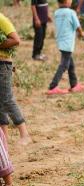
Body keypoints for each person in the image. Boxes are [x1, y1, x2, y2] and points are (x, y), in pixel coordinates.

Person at [0, 13, 32, 146]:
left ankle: (25, 134)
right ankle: (4, 138)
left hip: (3, 65)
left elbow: (16, 40)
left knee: (7, 99)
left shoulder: (1, 19)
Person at [47, 0, 84, 95]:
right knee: (64, 65)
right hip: (68, 43)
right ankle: (53, 86)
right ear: (67, 2)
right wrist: (82, 33)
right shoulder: (71, 12)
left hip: (60, 42)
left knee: (70, 65)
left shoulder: (57, 12)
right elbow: (77, 26)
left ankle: (74, 85)